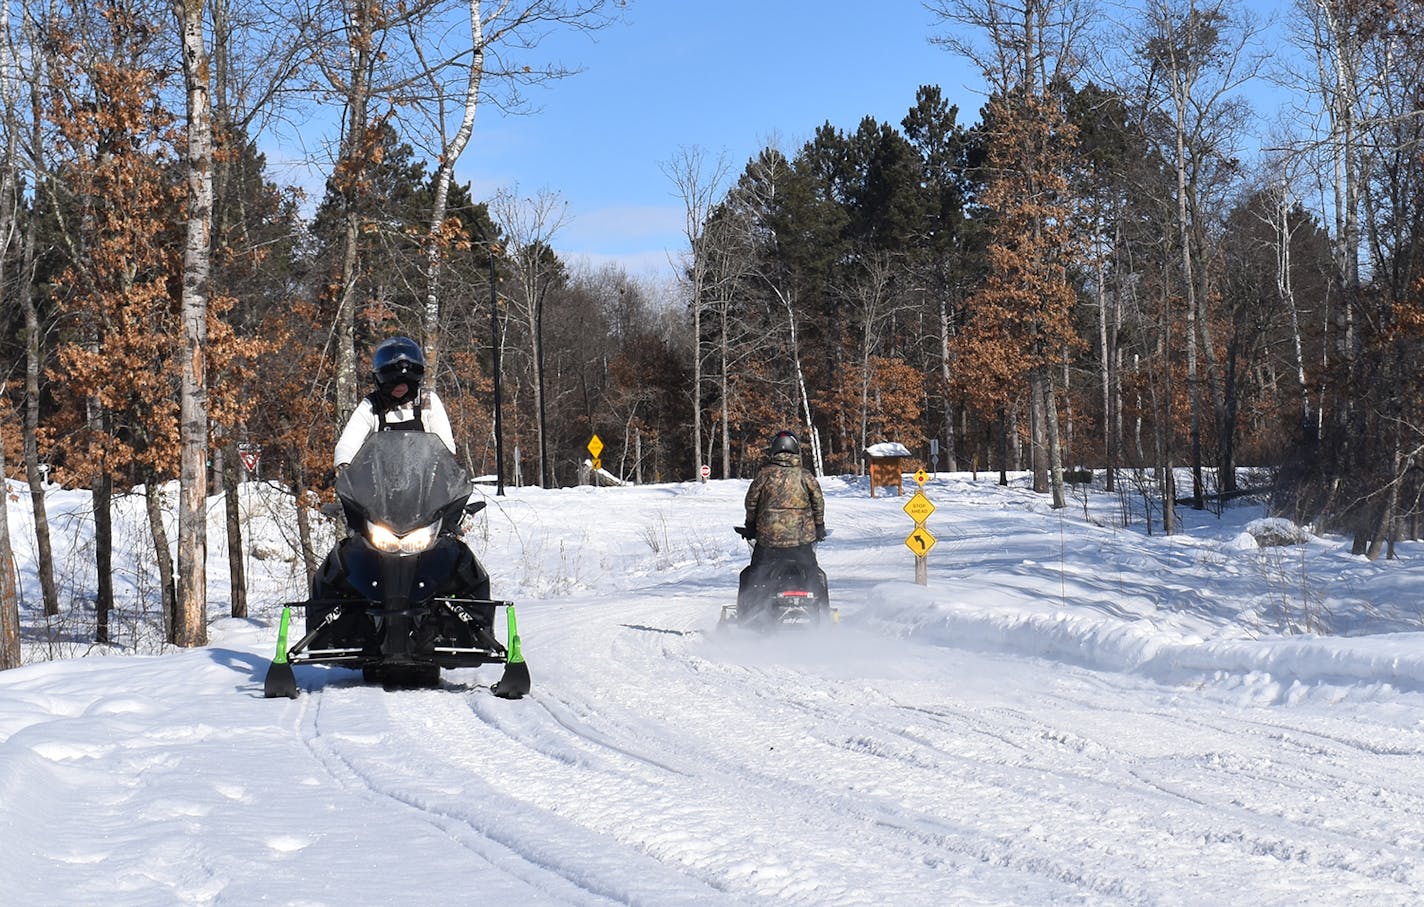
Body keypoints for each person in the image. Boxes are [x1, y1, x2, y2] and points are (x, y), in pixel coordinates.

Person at [738, 429, 829, 618]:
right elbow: (818, 502)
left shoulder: (764, 475)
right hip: (802, 543)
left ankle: (748, 617)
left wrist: (750, 525)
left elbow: (751, 503)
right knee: (814, 574)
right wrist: (819, 526)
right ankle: (823, 614)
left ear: (774, 450)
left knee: (754, 576)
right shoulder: (805, 476)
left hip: (768, 543)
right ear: (795, 449)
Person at [334, 336, 455, 471]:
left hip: (425, 485)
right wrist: (344, 465)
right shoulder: (371, 405)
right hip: (380, 487)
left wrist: (445, 467)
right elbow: (347, 444)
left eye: (405, 382)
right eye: (391, 383)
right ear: (381, 382)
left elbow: (446, 446)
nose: (399, 387)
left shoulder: (428, 401)